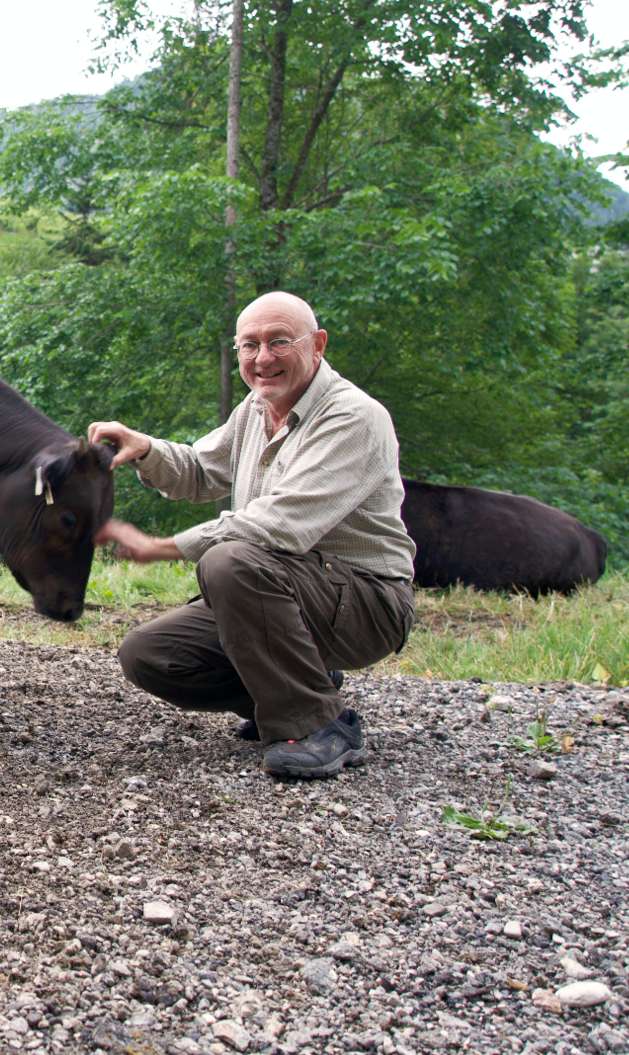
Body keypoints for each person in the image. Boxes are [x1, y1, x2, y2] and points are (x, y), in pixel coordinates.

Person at [87, 292, 415, 779]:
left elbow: (278, 524)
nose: (263, 358)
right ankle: (298, 689)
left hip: (368, 603)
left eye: (279, 342)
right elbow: (199, 471)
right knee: (150, 656)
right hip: (285, 590)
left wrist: (159, 549)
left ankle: (321, 725)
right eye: (249, 345)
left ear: (318, 345)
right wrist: (144, 449)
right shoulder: (256, 409)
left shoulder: (354, 417)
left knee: (229, 561)